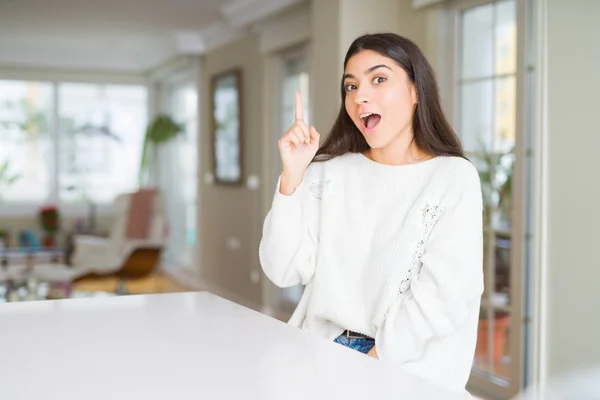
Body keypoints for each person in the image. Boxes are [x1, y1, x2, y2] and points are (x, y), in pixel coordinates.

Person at [259, 33, 484, 395]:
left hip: (407, 368)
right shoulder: (326, 172)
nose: (360, 96)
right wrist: (292, 176)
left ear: (415, 90)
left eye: (379, 79)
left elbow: (445, 294)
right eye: (351, 85)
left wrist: (374, 360)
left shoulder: (452, 177)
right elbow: (282, 270)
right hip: (321, 354)